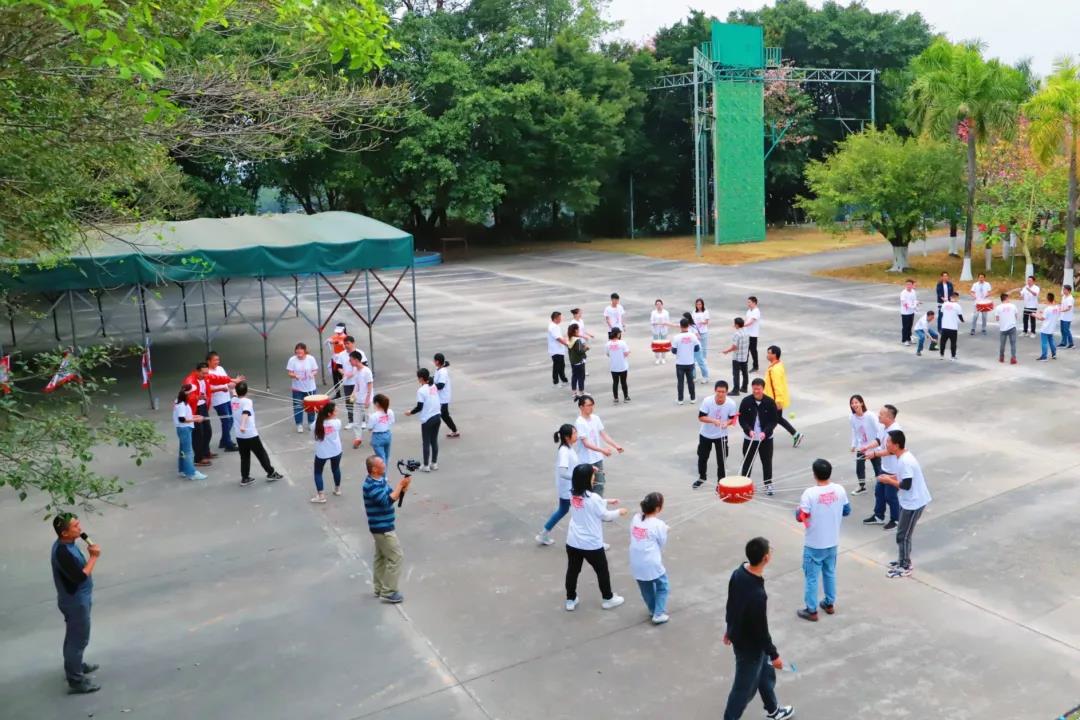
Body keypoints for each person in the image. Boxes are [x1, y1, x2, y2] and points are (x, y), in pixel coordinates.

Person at [722, 537, 794, 720]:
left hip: (742, 637)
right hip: (749, 647)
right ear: (766, 558)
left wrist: (729, 627)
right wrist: (774, 654)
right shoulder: (758, 595)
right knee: (742, 690)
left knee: (764, 673)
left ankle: (773, 710)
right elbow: (761, 631)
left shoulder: (738, 573)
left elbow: (732, 603)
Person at [564, 464, 628, 611]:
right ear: (587, 479)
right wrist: (619, 511)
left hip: (573, 540)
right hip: (591, 543)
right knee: (602, 571)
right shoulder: (594, 498)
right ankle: (608, 598)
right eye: (592, 476)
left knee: (573, 571)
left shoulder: (571, 493)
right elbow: (606, 516)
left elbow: (588, 503)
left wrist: (606, 501)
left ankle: (570, 599)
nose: (594, 478)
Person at [51, 513, 102, 694]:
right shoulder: (63, 552)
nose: (80, 529)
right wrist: (94, 557)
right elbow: (79, 576)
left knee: (74, 636)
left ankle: (76, 665)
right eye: (75, 526)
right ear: (64, 533)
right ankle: (76, 679)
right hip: (75, 601)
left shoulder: (67, 545)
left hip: (76, 599)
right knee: (78, 639)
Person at [795, 459, 850, 621]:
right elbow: (846, 510)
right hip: (832, 541)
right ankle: (829, 603)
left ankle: (811, 610)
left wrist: (798, 510)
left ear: (814, 474)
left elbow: (800, 517)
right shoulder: (839, 490)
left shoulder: (809, 494)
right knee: (830, 572)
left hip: (814, 543)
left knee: (812, 577)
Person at [875, 430, 932, 578]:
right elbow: (903, 477)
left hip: (914, 503)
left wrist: (888, 481)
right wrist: (889, 476)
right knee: (902, 533)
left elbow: (906, 485)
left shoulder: (905, 461)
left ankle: (905, 565)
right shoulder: (902, 457)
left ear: (896, 445)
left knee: (903, 535)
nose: (886, 444)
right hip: (908, 501)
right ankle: (902, 559)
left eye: (888, 442)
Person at [362, 455, 412, 603]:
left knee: (381, 557)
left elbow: (393, 495)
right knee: (396, 557)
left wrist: (404, 485)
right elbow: (386, 501)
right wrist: (399, 486)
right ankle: (389, 591)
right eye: (381, 463)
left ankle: (379, 588)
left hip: (382, 526)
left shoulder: (380, 480)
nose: (384, 464)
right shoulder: (370, 486)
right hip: (382, 528)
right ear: (374, 469)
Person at [183, 361, 237, 465]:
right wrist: (197, 397)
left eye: (207, 373)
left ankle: (206, 452)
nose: (206, 375)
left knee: (207, 431)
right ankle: (198, 458)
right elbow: (186, 396)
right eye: (203, 373)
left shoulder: (206, 376)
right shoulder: (190, 381)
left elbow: (217, 378)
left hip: (203, 406)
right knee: (198, 434)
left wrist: (233, 379)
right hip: (194, 409)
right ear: (197, 372)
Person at [232, 382, 283, 486]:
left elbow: (233, 393)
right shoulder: (247, 401)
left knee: (244, 456)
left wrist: (235, 385)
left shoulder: (233, 400)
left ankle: (245, 477)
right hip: (250, 434)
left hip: (239, 435)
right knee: (261, 454)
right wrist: (243, 425)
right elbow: (245, 413)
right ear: (247, 391)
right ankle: (271, 473)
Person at [629, 492, 670, 624]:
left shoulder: (636, 518)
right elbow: (662, 542)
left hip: (636, 562)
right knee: (663, 586)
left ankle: (653, 610)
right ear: (658, 508)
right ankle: (658, 613)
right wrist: (665, 530)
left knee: (646, 588)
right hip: (651, 562)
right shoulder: (659, 524)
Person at [862, 404, 902, 529]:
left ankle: (896, 520)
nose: (879, 416)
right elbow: (878, 440)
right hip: (884, 467)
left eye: (882, 414)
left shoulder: (896, 431)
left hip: (893, 469)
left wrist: (874, 454)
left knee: (890, 496)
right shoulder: (883, 426)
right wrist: (867, 447)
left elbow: (891, 451)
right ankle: (878, 516)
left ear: (889, 417)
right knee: (879, 492)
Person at [537, 424, 578, 546]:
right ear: (567, 437)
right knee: (578, 511)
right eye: (574, 433)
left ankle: (543, 534)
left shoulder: (569, 448)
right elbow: (563, 473)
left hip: (570, 487)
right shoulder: (564, 452)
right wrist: (579, 478)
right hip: (568, 488)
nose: (577, 435)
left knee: (563, 510)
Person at [574, 395, 623, 497]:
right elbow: (586, 444)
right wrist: (602, 450)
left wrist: (616, 445)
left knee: (600, 484)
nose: (591, 408)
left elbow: (603, 435)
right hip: (585, 460)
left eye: (592, 405)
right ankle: (591, 507)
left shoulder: (596, 418)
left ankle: (597, 506)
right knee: (587, 486)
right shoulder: (579, 422)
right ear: (581, 407)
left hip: (597, 459)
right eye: (588, 405)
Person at [738, 379, 778, 496]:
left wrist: (765, 432)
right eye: (754, 388)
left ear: (763, 389)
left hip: (765, 439)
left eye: (758, 388)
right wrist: (748, 430)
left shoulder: (770, 402)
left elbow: (773, 421)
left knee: (766, 462)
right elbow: (742, 419)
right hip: (750, 438)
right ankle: (744, 485)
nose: (756, 391)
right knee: (747, 462)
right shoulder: (746, 401)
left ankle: (768, 484)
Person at [695, 380, 738, 490]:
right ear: (715, 391)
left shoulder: (731, 404)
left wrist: (726, 423)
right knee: (703, 457)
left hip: (721, 435)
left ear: (727, 392)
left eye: (723, 392)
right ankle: (702, 477)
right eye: (718, 391)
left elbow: (733, 419)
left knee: (722, 460)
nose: (720, 394)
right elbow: (701, 417)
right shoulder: (707, 401)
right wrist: (713, 421)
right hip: (706, 434)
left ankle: (720, 482)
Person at [763, 345, 803, 447]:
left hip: (774, 400)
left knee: (771, 420)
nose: (767, 355)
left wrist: (778, 401)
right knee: (777, 419)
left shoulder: (774, 370)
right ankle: (796, 434)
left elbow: (777, 386)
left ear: (774, 355)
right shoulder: (777, 366)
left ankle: (765, 437)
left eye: (769, 353)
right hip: (773, 399)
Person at [405, 368, 442, 471]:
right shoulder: (433, 386)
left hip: (427, 419)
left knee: (426, 442)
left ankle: (425, 465)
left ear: (421, 378)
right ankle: (434, 463)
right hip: (437, 416)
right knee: (434, 441)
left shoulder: (421, 391)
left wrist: (410, 412)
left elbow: (419, 407)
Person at [310, 401, 342, 503]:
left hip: (322, 452)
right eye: (335, 411)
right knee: (336, 468)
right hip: (336, 450)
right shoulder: (337, 422)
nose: (338, 412)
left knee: (318, 472)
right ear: (329, 414)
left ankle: (321, 495)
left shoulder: (316, 424)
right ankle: (337, 489)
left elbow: (313, 430)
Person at [174, 384, 208, 481]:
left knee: (183, 451)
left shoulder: (180, 401)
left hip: (182, 428)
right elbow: (182, 419)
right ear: (189, 393)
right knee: (188, 452)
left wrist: (195, 416)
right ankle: (191, 473)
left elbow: (185, 416)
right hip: (184, 428)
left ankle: (183, 470)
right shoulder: (182, 404)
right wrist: (195, 420)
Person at [206, 351, 238, 452]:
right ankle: (228, 444)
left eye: (218, 360)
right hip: (218, 401)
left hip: (226, 398)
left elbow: (226, 380)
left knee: (231, 420)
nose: (217, 362)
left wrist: (233, 385)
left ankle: (224, 440)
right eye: (215, 360)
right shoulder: (207, 373)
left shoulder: (220, 368)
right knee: (226, 421)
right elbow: (209, 388)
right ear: (209, 361)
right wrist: (222, 388)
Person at [848, 394, 880, 495]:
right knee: (859, 466)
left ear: (861, 403)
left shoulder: (870, 415)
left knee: (877, 467)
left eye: (856, 402)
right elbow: (854, 431)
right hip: (862, 446)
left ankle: (880, 485)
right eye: (852, 403)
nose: (854, 405)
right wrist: (854, 445)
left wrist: (879, 444)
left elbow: (879, 429)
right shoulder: (852, 417)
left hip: (873, 445)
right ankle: (862, 486)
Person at [287, 342, 320, 432]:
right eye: (297, 353)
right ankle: (299, 424)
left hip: (310, 387)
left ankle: (311, 422)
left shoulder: (311, 358)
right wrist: (295, 376)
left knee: (311, 406)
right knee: (298, 406)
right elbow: (289, 373)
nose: (299, 355)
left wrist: (312, 374)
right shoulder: (292, 360)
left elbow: (315, 370)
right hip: (297, 388)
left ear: (305, 351)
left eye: (301, 353)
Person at [345, 350, 374, 448]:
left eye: (351, 359)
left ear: (357, 360)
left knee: (370, 420)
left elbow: (370, 386)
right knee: (356, 420)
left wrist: (367, 399)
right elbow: (356, 385)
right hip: (358, 400)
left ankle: (373, 438)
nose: (350, 361)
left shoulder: (367, 371)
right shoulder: (355, 370)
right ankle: (358, 438)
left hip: (366, 400)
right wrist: (353, 395)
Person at [671, 317, 699, 405]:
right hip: (690, 362)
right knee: (691, 381)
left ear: (680, 326)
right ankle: (693, 398)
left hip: (680, 363)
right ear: (688, 325)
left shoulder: (676, 337)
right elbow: (697, 348)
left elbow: (674, 351)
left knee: (680, 382)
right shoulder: (693, 336)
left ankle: (680, 399)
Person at [433, 353, 460, 437]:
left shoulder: (443, 372)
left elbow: (441, 385)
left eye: (434, 360)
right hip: (440, 397)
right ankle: (454, 430)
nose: (434, 361)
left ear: (437, 361)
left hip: (443, 397)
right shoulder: (439, 369)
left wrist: (430, 387)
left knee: (441, 415)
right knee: (444, 415)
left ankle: (454, 430)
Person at [721, 317, 750, 395]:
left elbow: (734, 347)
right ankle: (744, 387)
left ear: (737, 325)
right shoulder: (746, 331)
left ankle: (736, 390)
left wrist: (726, 351)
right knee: (745, 372)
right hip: (744, 356)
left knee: (736, 374)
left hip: (737, 357)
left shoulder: (736, 334)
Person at [606, 328, 631, 403]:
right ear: (618, 334)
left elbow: (607, 354)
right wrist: (628, 352)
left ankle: (616, 398)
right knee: (623, 382)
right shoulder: (622, 343)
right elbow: (626, 353)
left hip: (614, 367)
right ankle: (626, 397)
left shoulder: (608, 344)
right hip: (622, 366)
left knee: (615, 382)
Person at [368, 394, 395, 463]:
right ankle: (384, 473)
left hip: (378, 436)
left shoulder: (373, 416)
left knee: (381, 459)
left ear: (377, 403)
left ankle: (382, 473)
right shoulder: (390, 411)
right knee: (386, 456)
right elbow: (391, 422)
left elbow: (370, 428)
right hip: (387, 434)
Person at [993, 292, 1019, 364]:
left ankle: (1001, 357)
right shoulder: (1013, 306)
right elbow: (1016, 316)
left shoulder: (998, 307)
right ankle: (1013, 358)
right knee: (1013, 343)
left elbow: (997, 318)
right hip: (1012, 327)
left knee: (1002, 344)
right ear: (1006, 298)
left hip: (1003, 328)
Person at [938, 292, 964, 361]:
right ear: (956, 297)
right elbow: (960, 315)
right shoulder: (957, 306)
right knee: (953, 343)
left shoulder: (944, 304)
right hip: (953, 327)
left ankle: (941, 355)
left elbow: (942, 312)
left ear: (950, 297)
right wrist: (962, 320)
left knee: (943, 342)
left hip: (944, 327)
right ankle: (953, 356)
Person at [547, 311, 570, 387]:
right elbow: (558, 338)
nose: (561, 319)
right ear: (555, 318)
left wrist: (566, 340)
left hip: (558, 350)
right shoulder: (553, 327)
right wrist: (567, 344)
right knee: (557, 366)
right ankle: (556, 382)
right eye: (560, 318)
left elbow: (560, 337)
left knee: (561, 366)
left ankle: (564, 380)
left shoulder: (555, 326)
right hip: (556, 350)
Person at [1036, 292, 1060, 361]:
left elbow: (1042, 318)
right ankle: (1054, 354)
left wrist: (1035, 315)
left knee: (1044, 343)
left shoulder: (1047, 309)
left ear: (1047, 299)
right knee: (1051, 341)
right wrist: (1042, 312)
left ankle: (1044, 356)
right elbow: (1050, 314)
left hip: (1045, 328)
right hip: (1052, 328)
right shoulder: (1057, 307)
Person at [567, 322, 588, 400]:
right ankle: (581, 392)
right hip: (579, 361)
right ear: (576, 330)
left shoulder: (570, 339)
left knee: (574, 376)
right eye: (578, 329)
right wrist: (586, 348)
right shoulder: (577, 340)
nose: (579, 330)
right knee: (581, 376)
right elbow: (580, 351)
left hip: (573, 361)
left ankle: (574, 392)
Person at [325, 322, 348, 394]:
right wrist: (329, 341)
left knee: (342, 376)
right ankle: (337, 394)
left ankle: (346, 392)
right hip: (335, 358)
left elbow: (347, 348)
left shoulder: (346, 337)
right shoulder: (334, 336)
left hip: (342, 358)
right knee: (335, 377)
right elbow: (326, 342)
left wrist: (342, 344)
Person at [692, 298, 711, 383]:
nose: (699, 306)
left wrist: (700, 322)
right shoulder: (694, 312)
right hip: (695, 333)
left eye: (700, 304)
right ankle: (693, 376)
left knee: (703, 352)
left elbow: (707, 321)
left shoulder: (705, 311)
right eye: (697, 304)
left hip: (703, 333)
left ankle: (705, 375)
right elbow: (692, 322)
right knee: (694, 354)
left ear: (702, 304)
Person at [650, 299, 670, 364]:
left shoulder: (666, 312)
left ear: (662, 305)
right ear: (655, 305)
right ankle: (657, 358)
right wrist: (657, 323)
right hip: (656, 330)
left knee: (663, 344)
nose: (659, 305)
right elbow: (652, 321)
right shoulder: (653, 312)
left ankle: (663, 358)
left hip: (664, 330)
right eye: (657, 304)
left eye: (660, 304)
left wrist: (664, 324)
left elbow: (667, 321)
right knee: (656, 345)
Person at [744, 297, 761, 371]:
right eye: (748, 302)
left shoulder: (756, 311)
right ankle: (744, 365)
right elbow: (746, 320)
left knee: (753, 350)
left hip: (753, 334)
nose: (748, 304)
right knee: (746, 350)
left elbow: (751, 321)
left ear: (754, 303)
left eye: (749, 302)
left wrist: (742, 325)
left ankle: (756, 366)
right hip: (747, 333)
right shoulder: (749, 311)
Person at [899, 279, 918, 345]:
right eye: (907, 284)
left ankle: (909, 338)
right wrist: (912, 306)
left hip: (911, 312)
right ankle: (905, 340)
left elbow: (914, 300)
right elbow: (904, 303)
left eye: (909, 284)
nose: (908, 286)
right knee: (905, 327)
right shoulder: (903, 293)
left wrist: (916, 304)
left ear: (912, 285)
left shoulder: (913, 291)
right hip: (905, 312)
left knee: (910, 326)